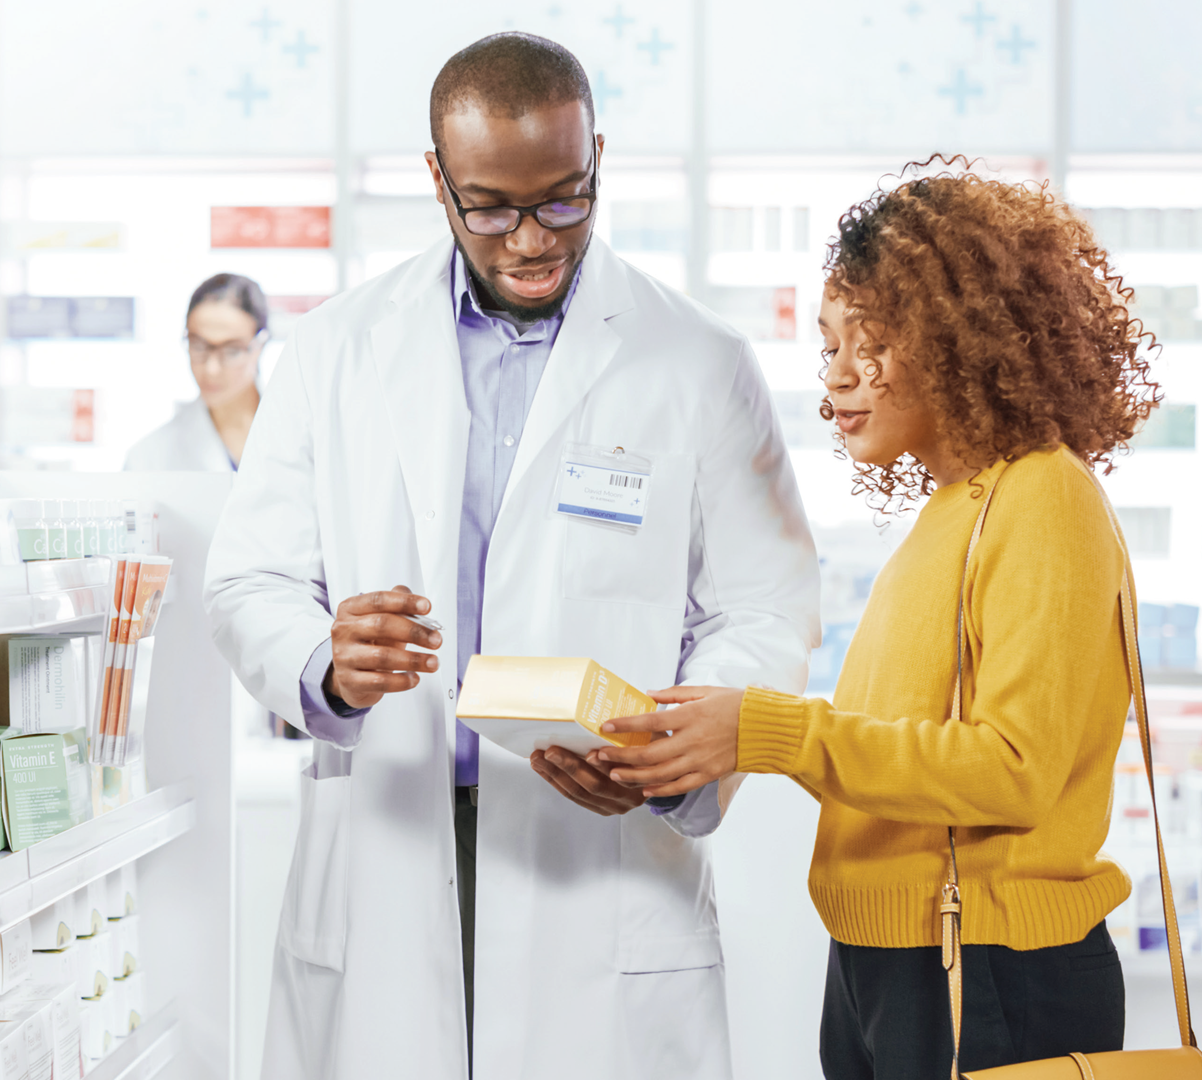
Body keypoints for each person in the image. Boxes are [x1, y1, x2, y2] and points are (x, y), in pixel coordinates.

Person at [204, 32, 819, 1080]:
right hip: (389, 842)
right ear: (436, 181)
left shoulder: (696, 361)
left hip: (596, 852)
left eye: (565, 200)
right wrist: (324, 661)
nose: (531, 238)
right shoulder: (332, 350)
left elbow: (763, 608)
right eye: (490, 206)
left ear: (597, 163)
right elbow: (249, 578)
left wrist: (670, 748)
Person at [599, 160, 1160, 1078]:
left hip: (990, 972)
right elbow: (902, 753)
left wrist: (767, 732)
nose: (841, 378)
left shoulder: (1043, 497)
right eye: (830, 346)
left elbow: (1012, 769)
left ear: (962, 338)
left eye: (876, 343)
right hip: (890, 963)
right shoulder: (954, 509)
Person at [125, 272, 268, 471]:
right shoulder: (149, 457)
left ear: (259, 345)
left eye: (231, 350)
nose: (211, 369)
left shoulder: (304, 432)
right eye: (199, 346)